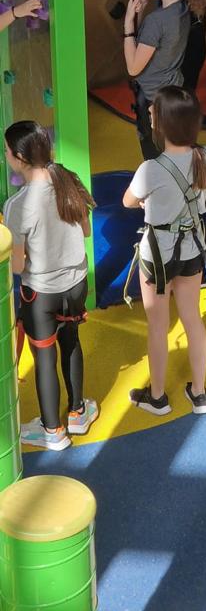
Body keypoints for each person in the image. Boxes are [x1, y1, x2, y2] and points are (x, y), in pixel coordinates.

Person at [2, 121, 97, 451]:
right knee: (71, 342)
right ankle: (78, 413)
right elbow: (86, 230)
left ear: (19, 158)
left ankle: (53, 431)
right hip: (76, 285)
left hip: (41, 293)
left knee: (44, 357)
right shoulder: (68, 179)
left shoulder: (17, 206)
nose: (5, 155)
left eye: (6, 151)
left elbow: (17, 266)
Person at [123, 86, 206, 416]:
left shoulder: (151, 168)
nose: (149, 113)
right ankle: (199, 394)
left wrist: (151, 202)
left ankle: (158, 397)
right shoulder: (205, 156)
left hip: (157, 256)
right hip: (192, 249)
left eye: (153, 111)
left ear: (163, 123)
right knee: (193, 318)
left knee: (158, 327)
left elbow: (128, 201)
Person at [124, 0, 206, 160]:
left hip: (153, 97)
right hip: (172, 90)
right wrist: (143, 7)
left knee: (157, 158)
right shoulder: (182, 9)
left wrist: (127, 25)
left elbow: (133, 67)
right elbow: (146, 39)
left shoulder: (157, 20)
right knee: (174, 152)